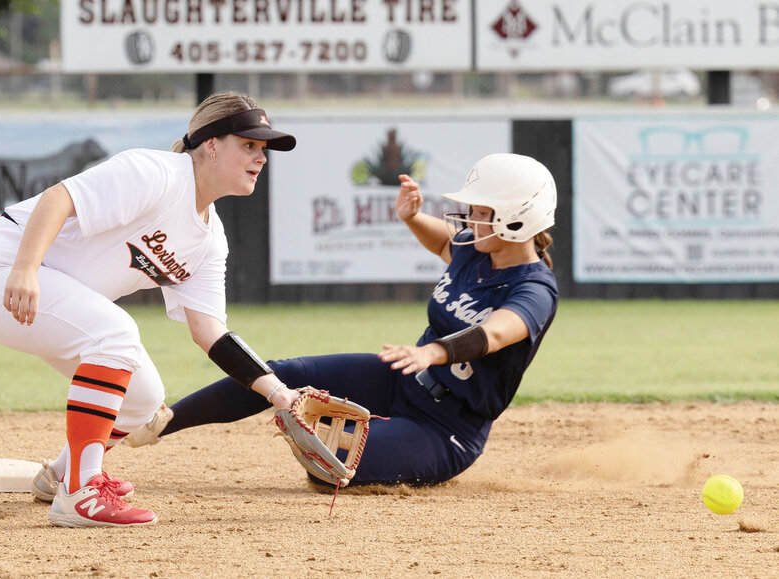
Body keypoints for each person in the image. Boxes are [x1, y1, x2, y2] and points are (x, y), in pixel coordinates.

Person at [0, 91, 305, 527]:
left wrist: (280, 394)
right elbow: (57, 198)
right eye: (248, 145)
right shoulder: (157, 173)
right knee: (116, 334)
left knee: (143, 399)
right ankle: (82, 493)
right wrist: (25, 268)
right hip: (0, 267)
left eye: (263, 149)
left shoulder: (210, 240)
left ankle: (62, 474)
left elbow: (209, 331)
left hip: (48, 291)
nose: (261, 157)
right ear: (211, 144)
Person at [125, 153, 559, 487]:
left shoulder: (534, 289)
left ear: (517, 219)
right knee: (282, 376)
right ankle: (163, 422)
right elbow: (446, 244)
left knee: (330, 465)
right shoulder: (476, 248)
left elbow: (498, 333)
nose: (470, 219)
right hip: (402, 379)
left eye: (482, 212)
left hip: (447, 427)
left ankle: (350, 437)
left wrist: (432, 351)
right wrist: (410, 218)